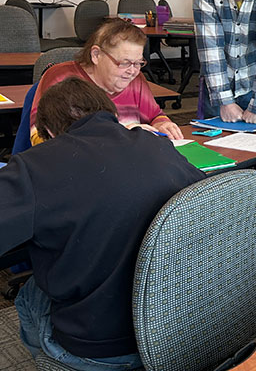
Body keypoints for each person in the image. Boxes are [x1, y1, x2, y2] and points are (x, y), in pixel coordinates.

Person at [2, 77, 204, 370]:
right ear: (111, 112)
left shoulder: (33, 166)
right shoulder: (157, 145)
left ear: (48, 132)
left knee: (30, 294)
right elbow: (204, 202)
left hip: (102, 347)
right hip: (181, 323)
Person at [29, 18, 182, 145]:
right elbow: (39, 137)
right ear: (96, 55)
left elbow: (155, 115)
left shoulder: (136, 81)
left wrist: (162, 123)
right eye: (124, 63)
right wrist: (118, 134)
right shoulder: (61, 79)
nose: (132, 71)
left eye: (138, 63)